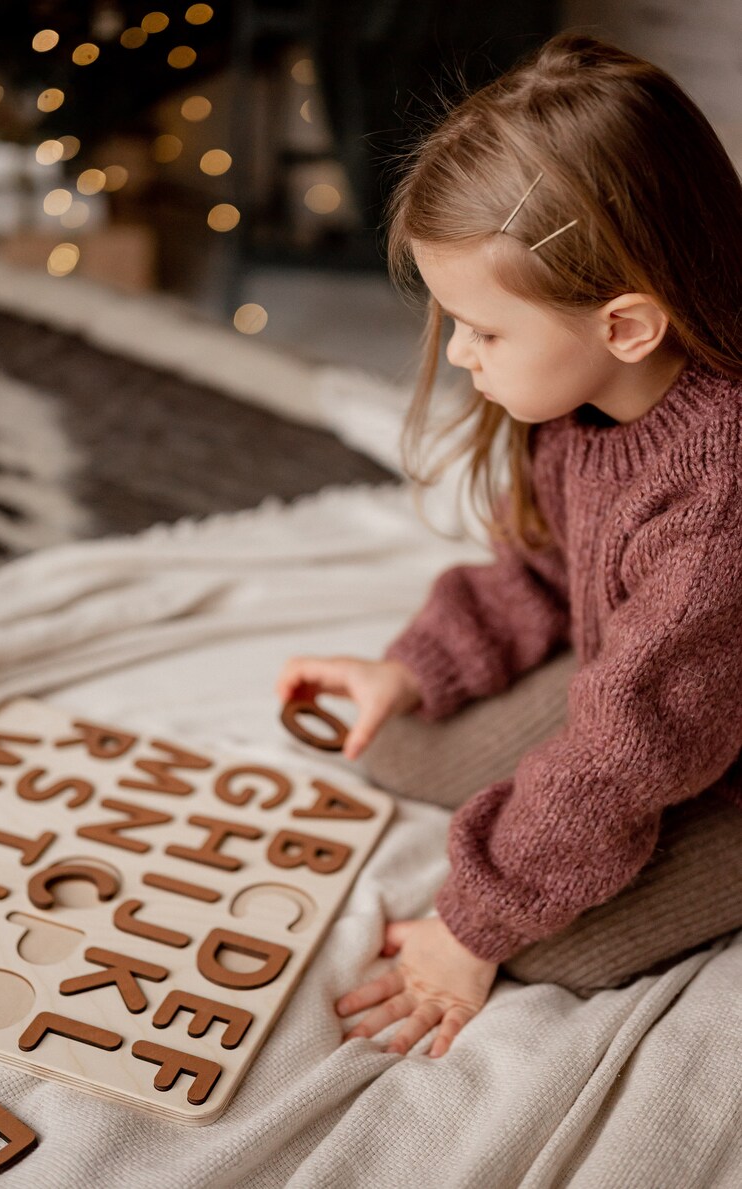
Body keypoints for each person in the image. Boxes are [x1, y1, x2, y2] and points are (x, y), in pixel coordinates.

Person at [275, 32, 742, 1060]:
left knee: (555, 947)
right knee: (393, 739)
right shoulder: (583, 399)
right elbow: (535, 564)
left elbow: (624, 757)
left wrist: (468, 928)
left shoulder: (718, 503)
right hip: (666, 685)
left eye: (483, 330)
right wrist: (414, 665)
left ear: (625, 325)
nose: (460, 357)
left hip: (715, 745)